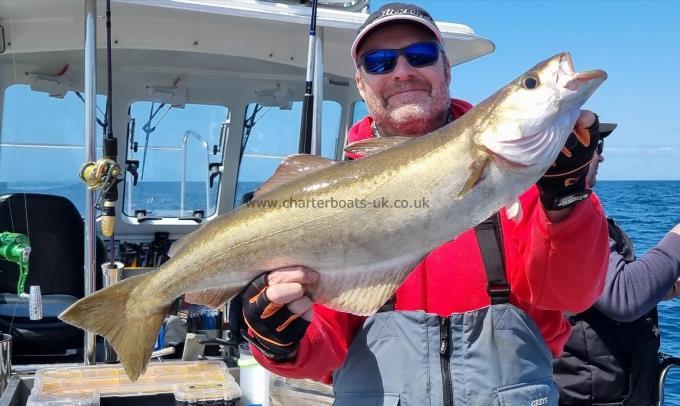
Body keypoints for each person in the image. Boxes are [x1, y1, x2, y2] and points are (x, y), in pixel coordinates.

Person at [239, 3, 610, 405]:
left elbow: (571, 296)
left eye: (420, 56)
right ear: (362, 85)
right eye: (379, 62)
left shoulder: (532, 176)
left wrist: (567, 200)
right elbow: (320, 351)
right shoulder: (327, 201)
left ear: (446, 69)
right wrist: (277, 341)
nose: (402, 71)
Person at [553, 124, 680, 406]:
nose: (601, 157)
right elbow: (623, 297)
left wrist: (659, 290)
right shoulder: (566, 216)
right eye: (596, 146)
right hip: (588, 395)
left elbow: (590, 292)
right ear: (567, 152)